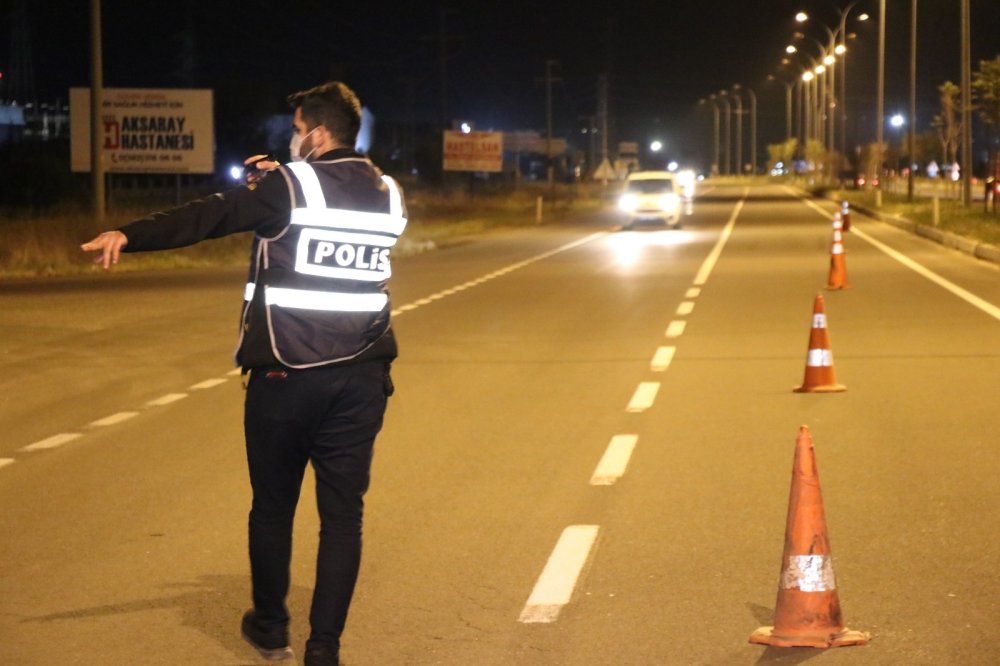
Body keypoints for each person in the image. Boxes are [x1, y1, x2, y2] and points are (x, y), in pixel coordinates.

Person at [81, 81, 406, 666]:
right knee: (342, 519)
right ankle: (324, 650)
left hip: (286, 373)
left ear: (318, 133)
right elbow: (322, 210)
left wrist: (129, 234)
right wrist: (275, 180)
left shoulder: (287, 184)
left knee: (273, 506)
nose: (291, 138)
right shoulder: (389, 192)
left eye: (296, 129)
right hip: (362, 376)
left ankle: (271, 627)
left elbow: (212, 215)